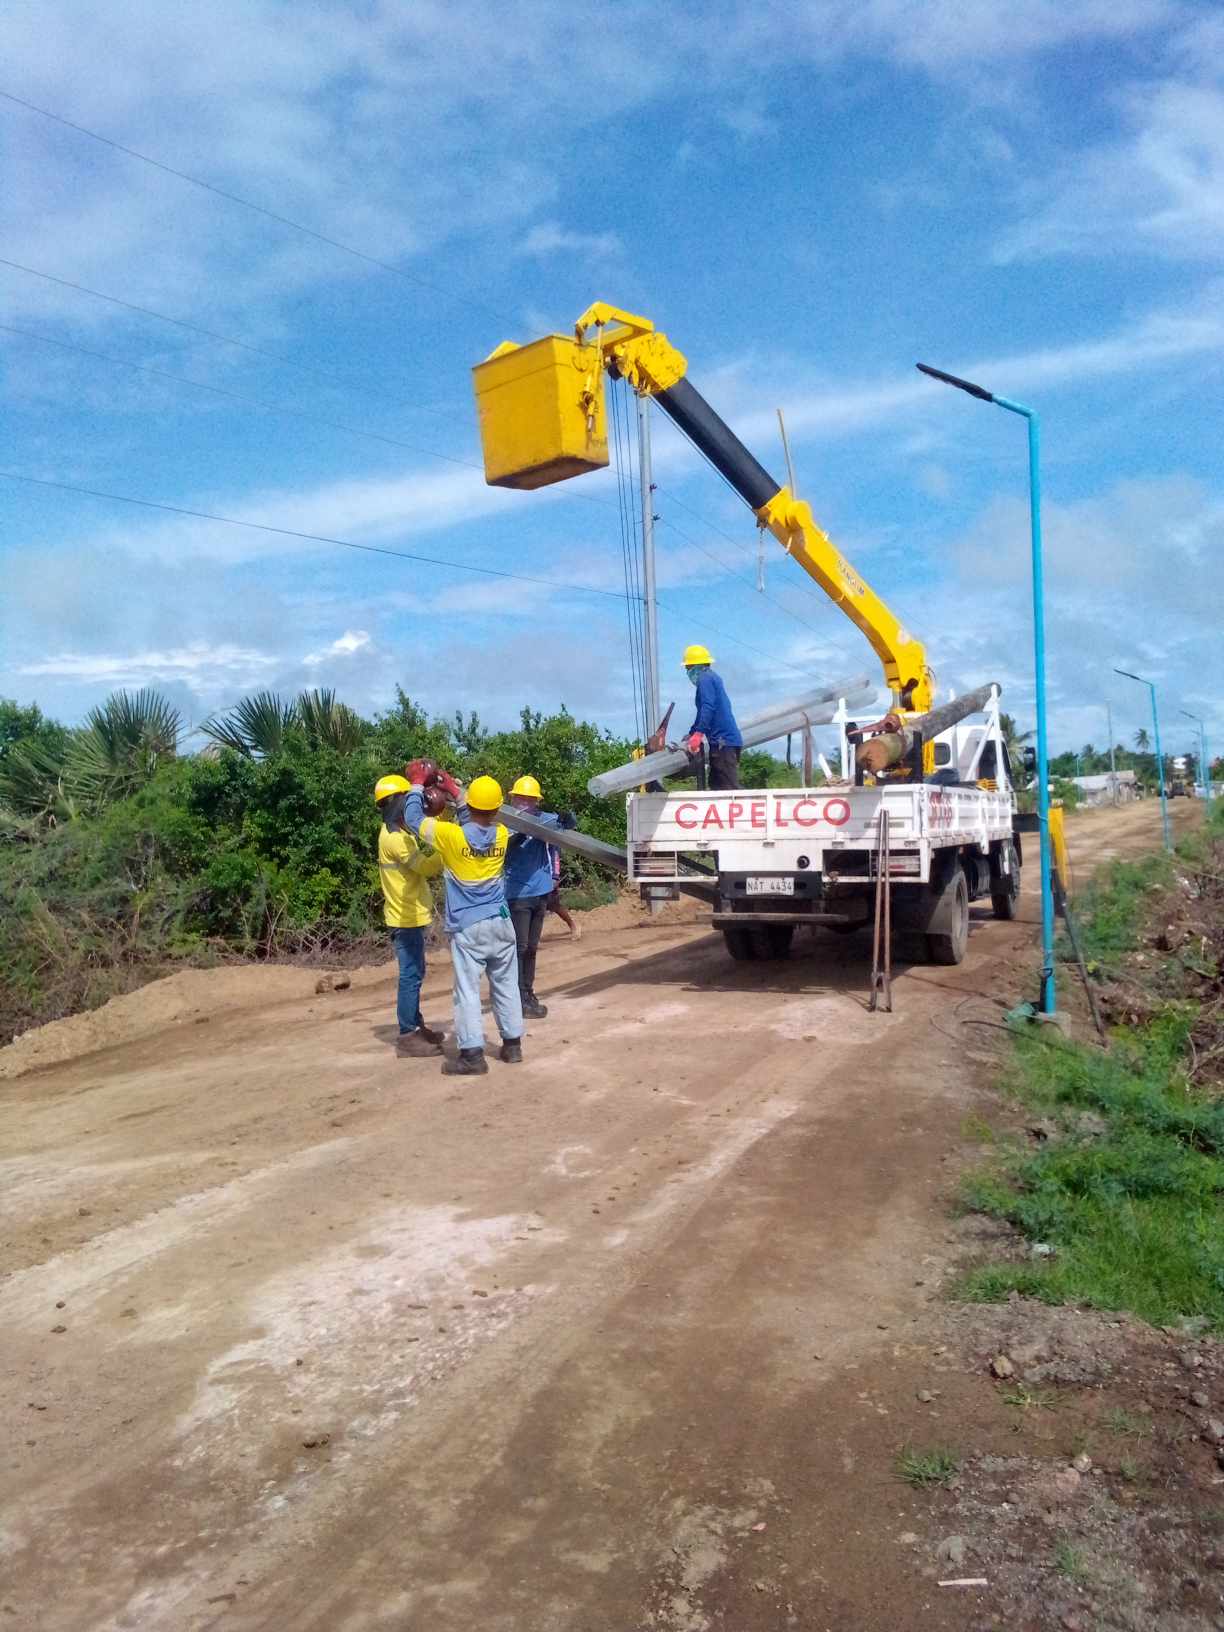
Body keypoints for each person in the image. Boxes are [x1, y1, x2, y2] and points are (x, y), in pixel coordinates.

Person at [403, 763, 523, 1076]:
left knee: (468, 991)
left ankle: (472, 1056)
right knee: (506, 984)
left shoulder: (449, 836)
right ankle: (512, 1046)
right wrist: (456, 791)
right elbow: (476, 816)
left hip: (470, 926)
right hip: (501, 920)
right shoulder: (501, 835)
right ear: (497, 808)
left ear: (471, 806)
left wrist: (417, 783)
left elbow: (414, 819)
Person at [373, 774, 446, 1058]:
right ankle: (406, 1035)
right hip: (405, 918)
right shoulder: (396, 840)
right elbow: (426, 869)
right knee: (411, 976)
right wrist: (447, 845)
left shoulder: (398, 833)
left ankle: (416, 1026)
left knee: (416, 973)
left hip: (408, 915)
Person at [503, 775, 577, 1018]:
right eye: (521, 798)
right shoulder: (505, 822)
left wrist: (568, 818)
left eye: (529, 799)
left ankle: (528, 992)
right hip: (517, 894)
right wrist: (524, 832)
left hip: (540, 894)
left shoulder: (543, 820)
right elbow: (505, 848)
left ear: (536, 801)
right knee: (519, 947)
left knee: (532, 948)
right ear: (513, 798)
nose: (524, 802)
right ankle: (517, 997)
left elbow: (565, 825)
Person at [682, 643, 743, 789]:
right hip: (723, 742)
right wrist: (692, 732)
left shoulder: (705, 679)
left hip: (723, 742)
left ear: (696, 666)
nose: (687, 672)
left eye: (688, 668)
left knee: (727, 788)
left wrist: (698, 735)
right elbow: (702, 711)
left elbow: (708, 708)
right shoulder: (712, 678)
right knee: (716, 786)